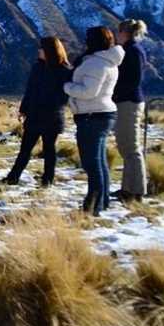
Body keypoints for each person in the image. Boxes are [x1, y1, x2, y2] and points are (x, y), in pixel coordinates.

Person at [64, 26, 125, 216]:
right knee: (99, 162)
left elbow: (89, 92)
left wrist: (67, 86)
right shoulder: (108, 62)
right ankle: (102, 201)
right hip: (101, 114)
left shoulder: (96, 64)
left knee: (92, 163)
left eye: (88, 38)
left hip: (91, 115)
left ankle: (93, 206)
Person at [5, 37, 73, 186]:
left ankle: (48, 180)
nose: (38, 51)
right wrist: (23, 109)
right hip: (34, 115)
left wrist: (51, 105)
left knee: (49, 149)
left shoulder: (64, 71)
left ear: (49, 51)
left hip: (52, 117)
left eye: (41, 48)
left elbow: (65, 96)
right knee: (25, 149)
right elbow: (29, 90)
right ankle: (13, 177)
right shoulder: (38, 67)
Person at [112, 19, 148, 202]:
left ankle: (136, 190)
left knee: (131, 147)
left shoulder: (133, 51)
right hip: (126, 101)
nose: (117, 36)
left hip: (129, 103)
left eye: (118, 32)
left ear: (124, 32)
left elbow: (132, 80)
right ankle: (128, 188)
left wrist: (115, 93)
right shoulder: (131, 50)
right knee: (126, 145)